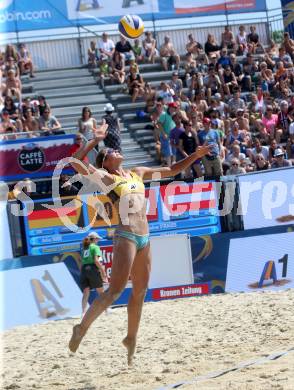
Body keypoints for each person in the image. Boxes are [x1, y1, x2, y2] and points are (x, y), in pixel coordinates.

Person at [68, 120, 211, 364]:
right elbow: (75, 163)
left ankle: (131, 338)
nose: (116, 150)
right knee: (114, 291)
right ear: (106, 162)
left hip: (145, 236)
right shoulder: (106, 178)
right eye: (111, 152)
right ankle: (81, 328)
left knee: (141, 291)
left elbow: (173, 171)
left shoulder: (138, 173)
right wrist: (96, 140)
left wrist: (194, 157)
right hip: (126, 234)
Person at [80, 232, 108, 317]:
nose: (98, 240)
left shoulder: (84, 248)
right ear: (94, 239)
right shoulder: (95, 247)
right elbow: (97, 261)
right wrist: (103, 272)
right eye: (98, 239)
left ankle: (83, 312)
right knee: (101, 291)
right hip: (92, 269)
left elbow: (82, 262)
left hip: (84, 269)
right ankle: (106, 309)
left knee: (86, 292)